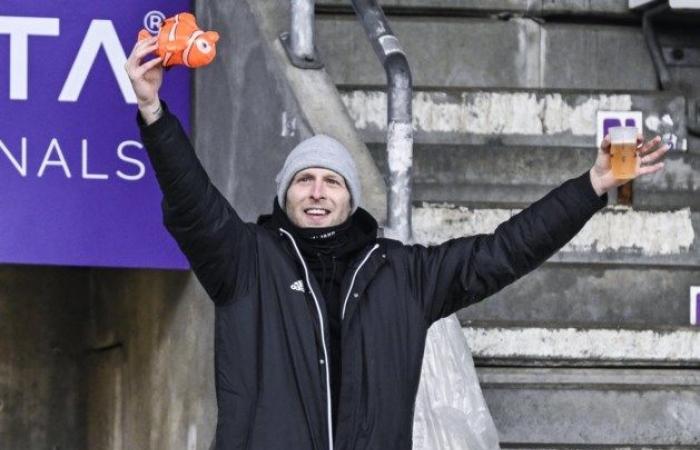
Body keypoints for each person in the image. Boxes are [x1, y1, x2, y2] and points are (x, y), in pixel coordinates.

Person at [125, 37, 668, 450]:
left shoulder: (404, 274)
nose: (317, 192)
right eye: (303, 180)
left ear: (351, 199)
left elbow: (505, 251)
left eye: (331, 181)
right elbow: (193, 205)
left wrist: (592, 188)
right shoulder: (246, 261)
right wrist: (154, 114)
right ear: (284, 196)